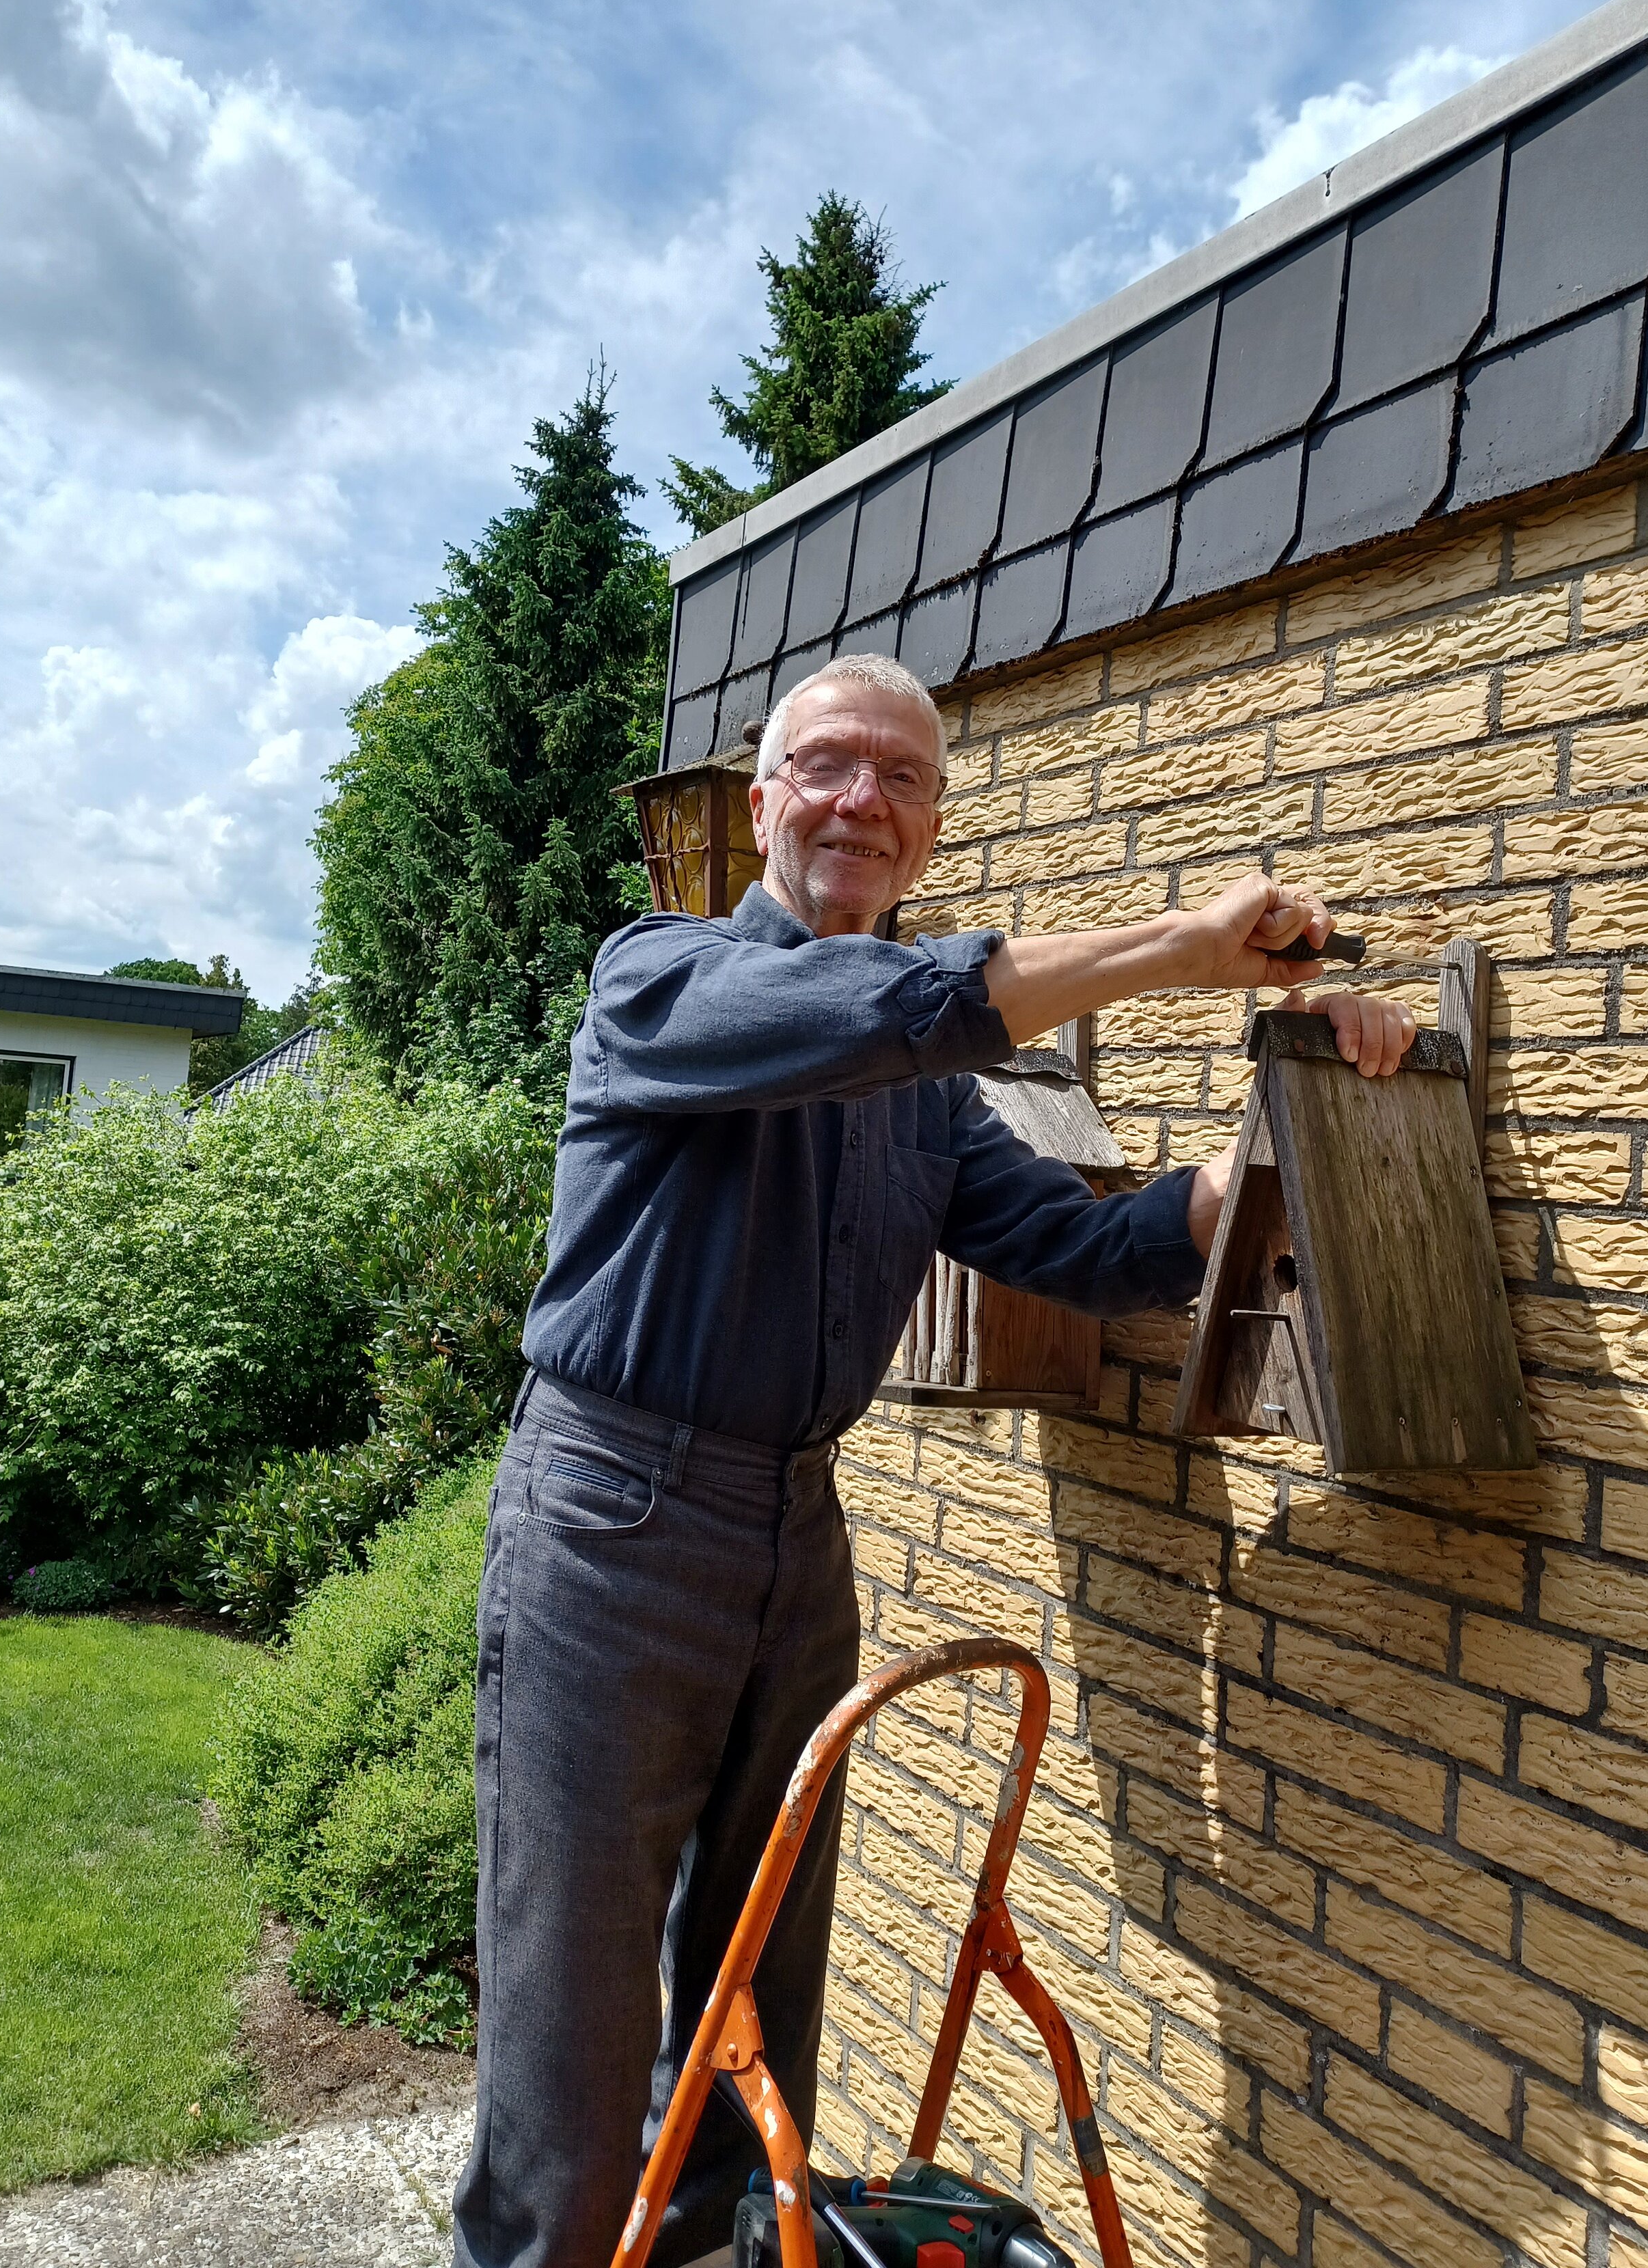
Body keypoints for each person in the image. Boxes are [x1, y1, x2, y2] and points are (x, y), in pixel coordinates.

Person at [454, 654, 1416, 2268]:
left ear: (934, 828)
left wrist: (1295, 1107)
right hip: (610, 1525)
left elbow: (1090, 1247)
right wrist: (1177, 950)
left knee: (762, 1969)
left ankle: (712, 2249)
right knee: (576, 2007)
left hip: (796, 1529)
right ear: (763, 801)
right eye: (827, 766)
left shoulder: (934, 1107)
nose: (862, 801)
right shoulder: (662, 982)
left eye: (901, 779)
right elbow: (891, 1007)